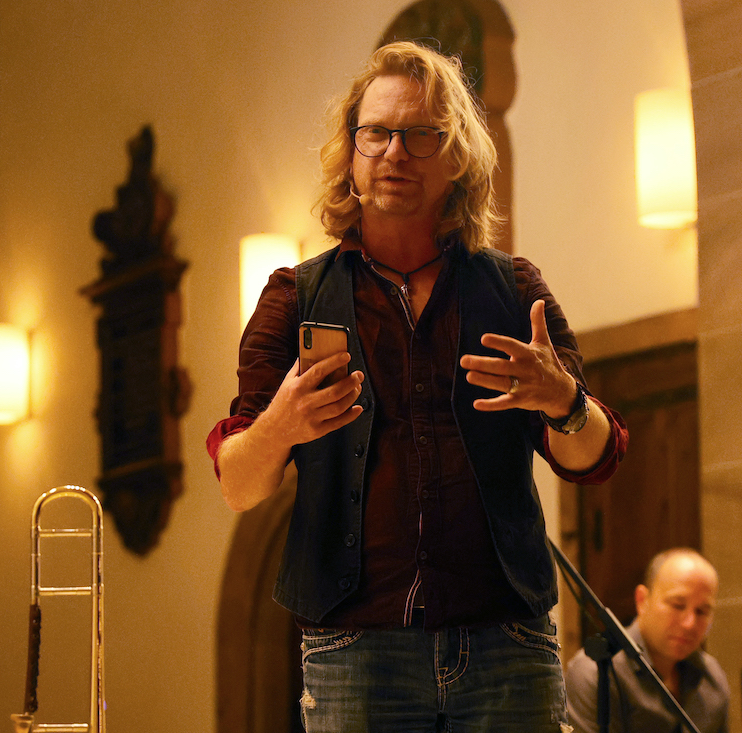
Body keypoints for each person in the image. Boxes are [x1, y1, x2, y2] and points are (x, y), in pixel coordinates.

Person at [205, 40, 629, 732]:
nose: (394, 153)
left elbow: (595, 457)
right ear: (351, 151)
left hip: (507, 642)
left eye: (419, 135)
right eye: (375, 133)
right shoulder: (294, 297)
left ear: (456, 155)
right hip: (354, 649)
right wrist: (279, 426)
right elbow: (239, 487)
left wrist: (565, 402)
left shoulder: (513, 288)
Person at [565, 548, 729, 732]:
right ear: (642, 600)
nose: (689, 624)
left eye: (702, 611)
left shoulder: (712, 677)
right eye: (677, 605)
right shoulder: (597, 671)